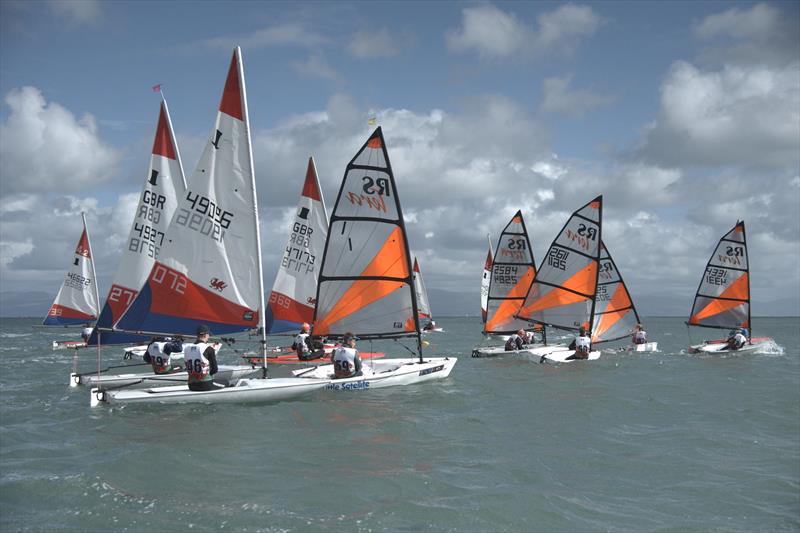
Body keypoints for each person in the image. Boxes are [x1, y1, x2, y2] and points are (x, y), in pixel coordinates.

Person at [184, 325, 224, 391]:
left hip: (191, 386)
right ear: (206, 335)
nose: (208, 336)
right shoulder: (209, 349)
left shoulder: (186, 348)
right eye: (208, 335)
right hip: (205, 385)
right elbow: (215, 370)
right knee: (226, 382)